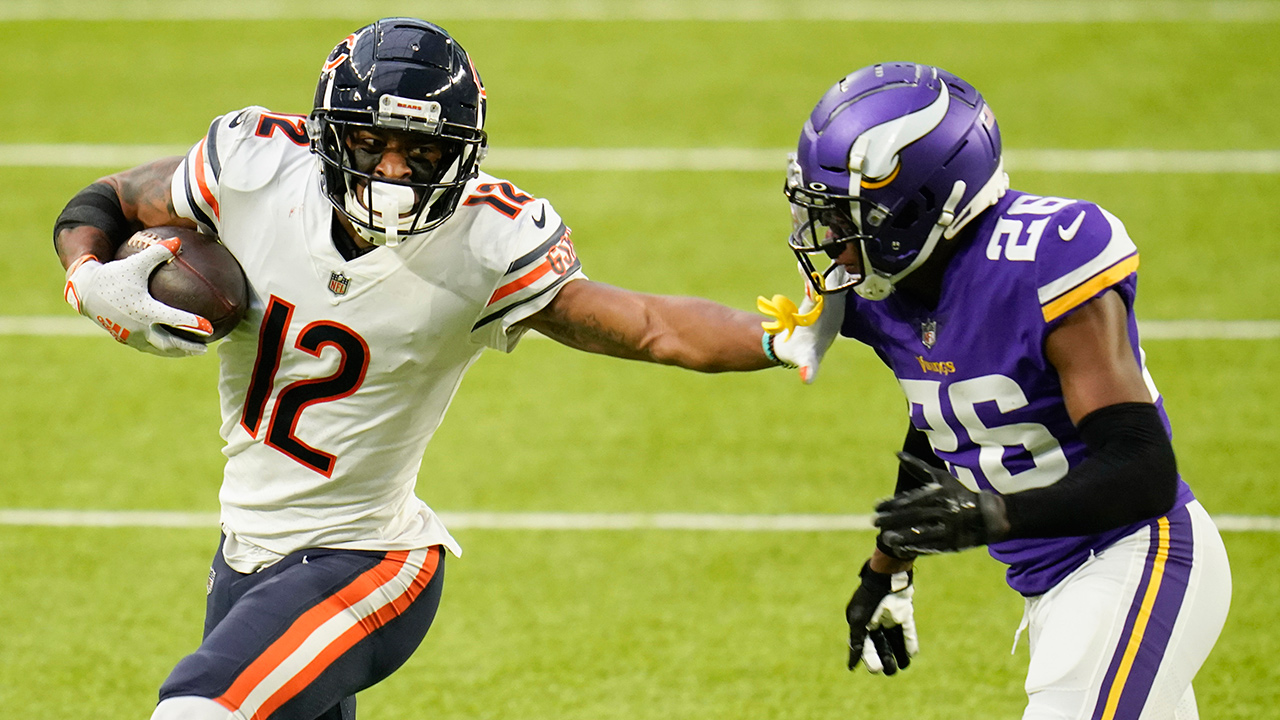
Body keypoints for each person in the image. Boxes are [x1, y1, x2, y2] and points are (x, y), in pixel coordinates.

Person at [51, 18, 833, 720]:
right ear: (331, 135)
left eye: (421, 151)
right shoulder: (255, 167)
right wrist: (87, 274)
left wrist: (778, 335)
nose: (392, 173)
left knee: (198, 710)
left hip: (368, 561)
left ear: (459, 157)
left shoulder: (484, 244)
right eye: (371, 143)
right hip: (246, 553)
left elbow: (651, 327)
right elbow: (108, 199)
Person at [775, 62, 1232, 719]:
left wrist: (995, 516)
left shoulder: (1044, 262)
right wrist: (886, 568)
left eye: (850, 220)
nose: (833, 246)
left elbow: (1144, 468)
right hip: (1056, 587)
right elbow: (945, 428)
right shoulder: (890, 297)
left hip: (1136, 560)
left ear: (916, 208)